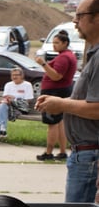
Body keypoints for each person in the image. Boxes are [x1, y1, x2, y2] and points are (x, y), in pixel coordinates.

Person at [36, 0, 99, 202]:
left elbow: (97, 108)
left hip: (91, 155)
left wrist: (62, 104)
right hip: (86, 154)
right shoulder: (94, 54)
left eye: (79, 15)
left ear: (97, 17)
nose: (75, 21)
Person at [34, 28, 78, 161]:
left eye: (57, 43)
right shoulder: (69, 55)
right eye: (53, 43)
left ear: (65, 43)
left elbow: (56, 76)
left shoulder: (64, 57)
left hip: (54, 92)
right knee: (60, 122)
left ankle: (49, 152)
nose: (54, 45)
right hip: (62, 90)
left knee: (52, 123)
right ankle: (63, 151)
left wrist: (43, 64)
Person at [0, 67, 34, 143]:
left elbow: (28, 100)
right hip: (7, 106)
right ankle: (2, 128)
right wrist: (1, 101)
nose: (14, 77)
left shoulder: (27, 85)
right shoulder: (8, 85)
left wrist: (14, 99)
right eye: (12, 75)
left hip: (20, 107)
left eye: (17, 75)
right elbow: (5, 98)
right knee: (2, 106)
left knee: (1, 109)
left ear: (22, 76)